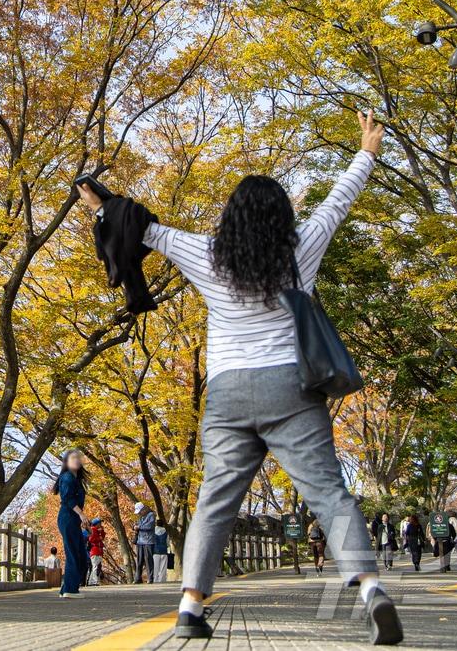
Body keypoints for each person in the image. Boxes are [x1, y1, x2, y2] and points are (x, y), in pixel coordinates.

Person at [78, 110, 402, 646]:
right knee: (329, 494)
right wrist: (367, 149)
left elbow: (146, 229)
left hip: (227, 392)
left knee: (215, 498)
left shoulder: (207, 252)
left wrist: (100, 204)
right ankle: (370, 589)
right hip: (291, 387)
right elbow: (339, 201)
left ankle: (189, 606)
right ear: (281, 218)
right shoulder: (302, 249)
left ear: (231, 216)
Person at [54, 449, 89, 598]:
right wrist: (81, 514)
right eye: (73, 458)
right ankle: (70, 590)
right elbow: (67, 498)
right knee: (75, 553)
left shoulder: (76, 479)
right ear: (66, 462)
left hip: (72, 519)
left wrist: (82, 518)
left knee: (80, 554)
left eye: (78, 458)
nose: (76, 460)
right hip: (68, 517)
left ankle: (66, 589)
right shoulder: (67, 477)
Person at [134, 503, 156, 583]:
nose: (139, 513)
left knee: (148, 560)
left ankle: (150, 578)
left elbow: (150, 526)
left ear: (144, 509)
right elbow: (138, 526)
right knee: (139, 560)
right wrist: (135, 527)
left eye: (140, 511)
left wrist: (139, 527)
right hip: (140, 541)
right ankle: (137, 578)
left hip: (148, 541)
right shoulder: (141, 517)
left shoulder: (151, 515)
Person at [88, 517, 107, 585]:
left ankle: (90, 582)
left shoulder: (98, 530)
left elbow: (103, 537)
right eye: (99, 523)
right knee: (95, 566)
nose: (101, 524)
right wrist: (99, 538)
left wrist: (102, 531)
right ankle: (95, 581)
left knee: (96, 566)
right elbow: (91, 539)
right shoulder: (93, 530)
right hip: (95, 550)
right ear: (96, 524)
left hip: (99, 550)